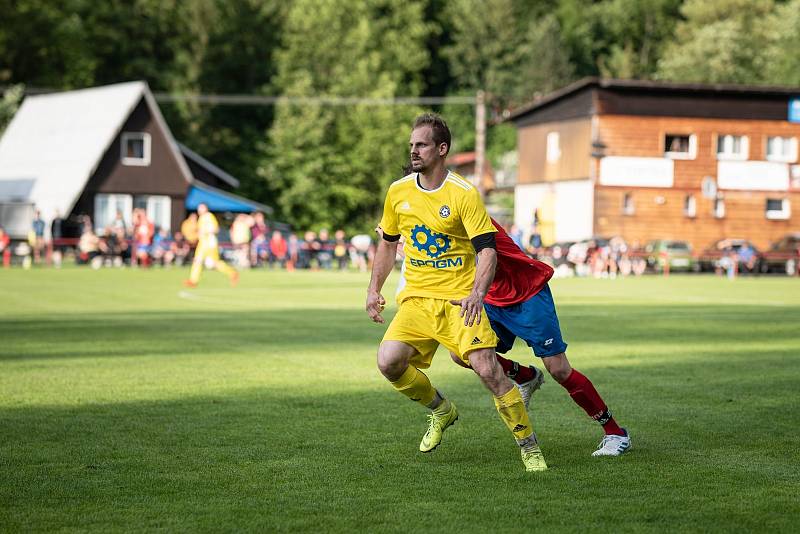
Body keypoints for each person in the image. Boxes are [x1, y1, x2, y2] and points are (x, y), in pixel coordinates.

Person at [366, 113, 545, 472]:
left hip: (459, 298)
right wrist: (374, 289)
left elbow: (488, 251)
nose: (414, 151)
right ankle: (441, 410)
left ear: (442, 149)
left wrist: (478, 294)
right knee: (388, 361)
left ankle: (529, 446)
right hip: (417, 298)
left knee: (487, 369)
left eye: (422, 144)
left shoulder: (463, 194)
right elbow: (387, 244)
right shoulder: (398, 191)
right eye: (412, 144)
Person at [448, 218, 631, 457]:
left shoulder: (468, 211)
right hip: (492, 298)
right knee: (462, 352)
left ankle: (616, 433)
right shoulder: (430, 215)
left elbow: (487, 255)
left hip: (527, 293)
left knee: (559, 370)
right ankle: (524, 376)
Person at [183, 203, 239, 288]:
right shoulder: (201, 218)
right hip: (203, 243)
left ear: (206, 208)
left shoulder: (209, 216)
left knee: (214, 263)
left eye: (201, 208)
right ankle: (193, 280)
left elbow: (215, 229)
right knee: (198, 261)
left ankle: (232, 273)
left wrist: (204, 232)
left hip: (209, 243)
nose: (199, 210)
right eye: (199, 208)